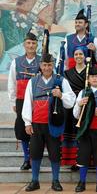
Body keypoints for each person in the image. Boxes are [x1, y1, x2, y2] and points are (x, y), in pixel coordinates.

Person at [22, 53, 76, 192]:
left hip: (54, 124)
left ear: (53, 65)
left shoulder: (61, 81)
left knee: (54, 153)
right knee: (35, 152)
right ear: (40, 65)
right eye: (44, 65)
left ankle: (55, 181)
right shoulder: (32, 82)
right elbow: (27, 102)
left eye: (49, 65)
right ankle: (35, 181)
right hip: (36, 124)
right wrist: (27, 122)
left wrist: (61, 95)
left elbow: (71, 100)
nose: (47, 68)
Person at [8, 30, 41, 170]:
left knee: (38, 128)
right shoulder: (16, 62)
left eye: (33, 43)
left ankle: (35, 158)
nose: (31, 45)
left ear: (37, 45)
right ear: (24, 45)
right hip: (21, 100)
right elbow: (12, 83)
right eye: (28, 43)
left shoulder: (42, 61)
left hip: (39, 101)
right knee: (22, 129)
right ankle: (27, 159)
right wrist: (13, 101)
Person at [61, 46, 88, 170]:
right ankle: (73, 160)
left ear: (85, 55)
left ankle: (85, 159)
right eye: (76, 54)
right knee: (72, 133)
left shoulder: (90, 71)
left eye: (81, 54)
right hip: (71, 107)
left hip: (85, 105)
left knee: (84, 133)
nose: (78, 56)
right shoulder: (67, 73)